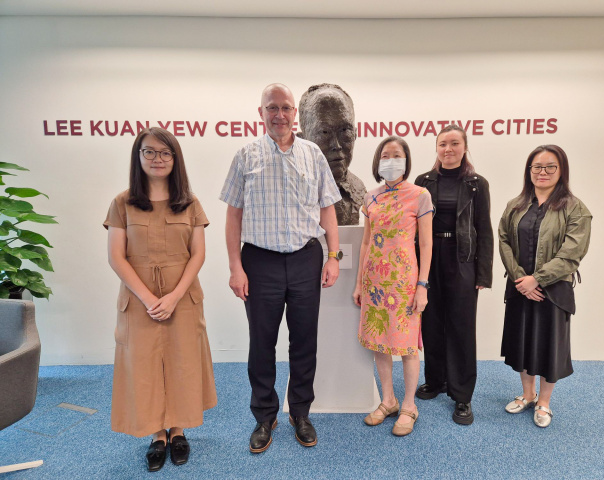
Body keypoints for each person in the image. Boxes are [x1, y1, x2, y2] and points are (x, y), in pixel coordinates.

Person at [220, 83, 341, 453]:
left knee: (304, 341)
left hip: (306, 258)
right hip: (260, 262)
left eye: (286, 107)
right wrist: (236, 267)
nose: (280, 114)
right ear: (261, 113)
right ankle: (264, 415)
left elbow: (327, 208)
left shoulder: (313, 154)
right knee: (262, 343)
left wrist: (333, 257)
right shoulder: (246, 156)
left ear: (295, 114)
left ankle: (300, 412)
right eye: (272, 107)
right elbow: (233, 216)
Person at [104, 127, 216, 472]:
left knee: (183, 362)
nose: (158, 159)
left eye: (165, 153)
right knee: (144, 366)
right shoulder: (122, 203)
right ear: (138, 157)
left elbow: (198, 254)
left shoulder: (190, 202)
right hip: (139, 300)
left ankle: (178, 431)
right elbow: (116, 257)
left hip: (183, 297)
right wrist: (150, 298)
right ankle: (157, 434)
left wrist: (174, 297)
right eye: (149, 152)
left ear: (175, 159)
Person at [499, 145, 591, 428]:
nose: (543, 172)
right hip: (519, 287)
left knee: (549, 346)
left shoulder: (575, 208)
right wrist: (521, 280)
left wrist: (537, 279)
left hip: (554, 291)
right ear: (529, 171)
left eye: (550, 166)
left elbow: (572, 253)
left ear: (561, 170)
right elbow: (503, 240)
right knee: (522, 343)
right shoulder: (516, 205)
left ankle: (544, 402)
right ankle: (528, 394)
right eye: (537, 166)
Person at [353, 136, 433, 436]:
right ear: (378, 161)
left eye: (396, 155)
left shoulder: (420, 195)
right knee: (379, 342)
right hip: (374, 282)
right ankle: (388, 400)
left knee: (408, 345)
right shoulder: (370, 197)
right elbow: (365, 243)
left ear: (406, 160)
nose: (390, 160)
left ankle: (409, 405)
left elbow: (426, 244)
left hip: (404, 282)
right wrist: (359, 283)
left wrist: (422, 285)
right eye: (385, 155)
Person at [413, 124, 493, 425]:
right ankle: (435, 380)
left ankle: (462, 395)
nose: (448, 149)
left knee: (461, 326)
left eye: (455, 143)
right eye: (443, 144)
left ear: (464, 147)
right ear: (437, 148)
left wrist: (483, 274)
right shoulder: (423, 182)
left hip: (463, 259)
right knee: (431, 321)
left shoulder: (477, 184)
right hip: (429, 258)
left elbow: (484, 229)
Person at [297, 83, 366, 225]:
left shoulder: (361, 191)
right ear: (302, 140)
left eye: (344, 130)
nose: (337, 145)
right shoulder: (293, 191)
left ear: (355, 134)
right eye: (324, 132)